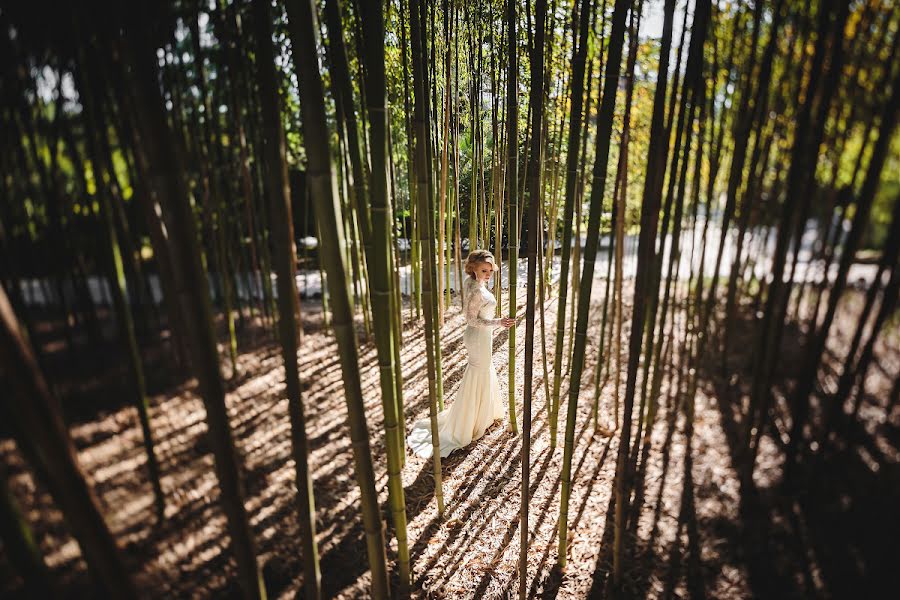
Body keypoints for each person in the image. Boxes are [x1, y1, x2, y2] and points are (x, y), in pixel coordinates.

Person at [408, 249, 516, 459]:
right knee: (478, 373)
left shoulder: (472, 283)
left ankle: (481, 414)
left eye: (490, 270)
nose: (488, 274)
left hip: (482, 336)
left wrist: (494, 322)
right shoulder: (475, 290)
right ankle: (468, 422)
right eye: (484, 270)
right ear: (473, 268)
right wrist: (498, 322)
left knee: (483, 372)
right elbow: (471, 319)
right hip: (478, 335)